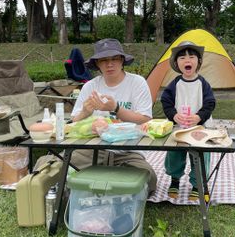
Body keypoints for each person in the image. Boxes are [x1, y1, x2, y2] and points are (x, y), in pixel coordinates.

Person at [36, 38, 157, 195]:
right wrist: (85, 112)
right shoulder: (90, 86)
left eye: (114, 59)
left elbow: (146, 119)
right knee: (45, 165)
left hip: (127, 151)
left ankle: (98, 179)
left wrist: (116, 108)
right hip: (91, 149)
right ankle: (99, 179)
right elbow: (73, 123)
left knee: (150, 179)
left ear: (122, 60)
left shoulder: (137, 83)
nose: (109, 64)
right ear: (97, 64)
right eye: (104, 60)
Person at [161, 41, 216, 201]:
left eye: (192, 57)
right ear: (177, 63)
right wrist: (173, 115)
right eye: (182, 58)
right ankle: (175, 180)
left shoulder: (203, 84)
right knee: (174, 154)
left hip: (200, 127)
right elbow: (166, 101)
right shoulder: (175, 84)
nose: (187, 60)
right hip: (179, 127)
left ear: (198, 62)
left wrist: (199, 116)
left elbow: (210, 103)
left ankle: (197, 184)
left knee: (199, 156)